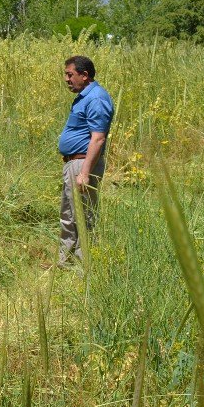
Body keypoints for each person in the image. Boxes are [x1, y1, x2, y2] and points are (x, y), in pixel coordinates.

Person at [57, 55, 114, 267]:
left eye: (70, 74)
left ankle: (85, 266)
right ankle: (66, 261)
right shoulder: (84, 97)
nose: (66, 79)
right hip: (74, 164)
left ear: (84, 75)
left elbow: (98, 138)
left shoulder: (97, 98)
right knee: (69, 214)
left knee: (84, 216)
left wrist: (84, 173)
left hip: (82, 164)